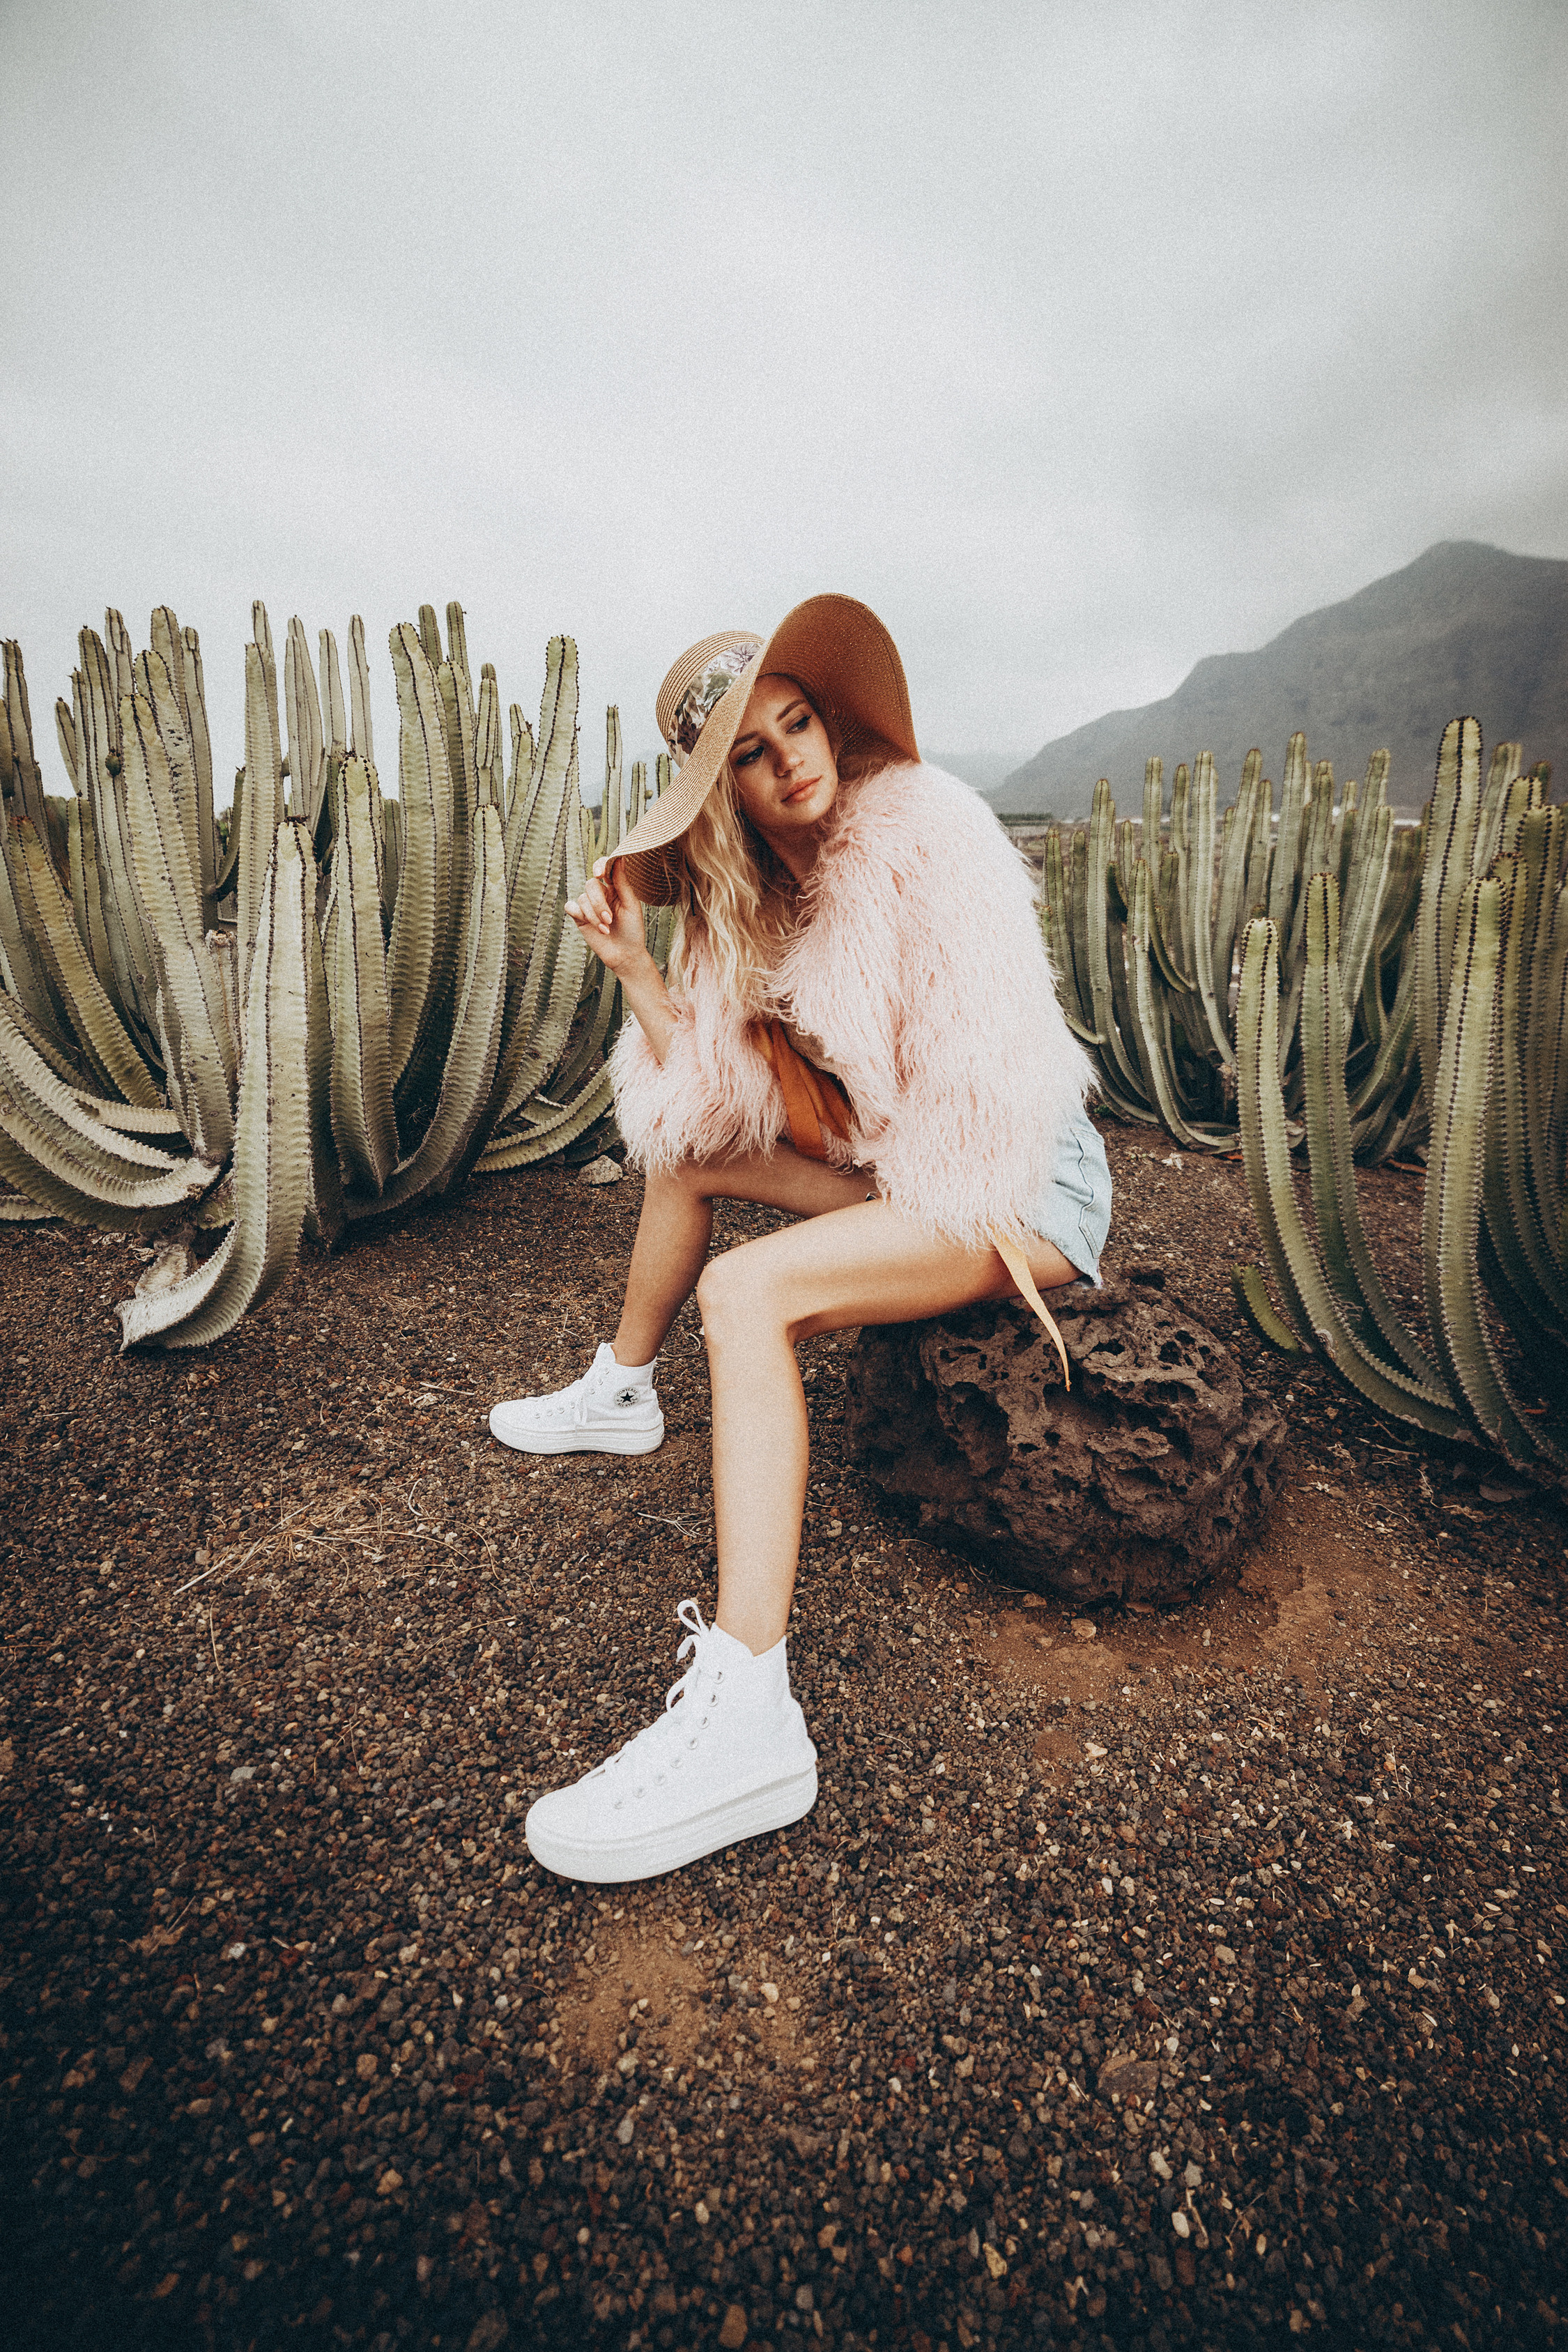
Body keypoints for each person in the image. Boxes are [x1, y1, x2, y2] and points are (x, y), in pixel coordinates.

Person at [489, 596, 1109, 1884]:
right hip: (909, 1164)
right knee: (688, 1153)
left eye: (796, 723)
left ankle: (749, 1711)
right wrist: (639, 970)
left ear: (829, 717)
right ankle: (620, 1391)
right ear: (729, 795)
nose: (793, 761)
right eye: (755, 756)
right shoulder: (760, 891)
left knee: (751, 1293)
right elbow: (703, 1101)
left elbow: (979, 1102)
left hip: (1012, 1183)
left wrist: (857, 1173)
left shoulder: (923, 835)